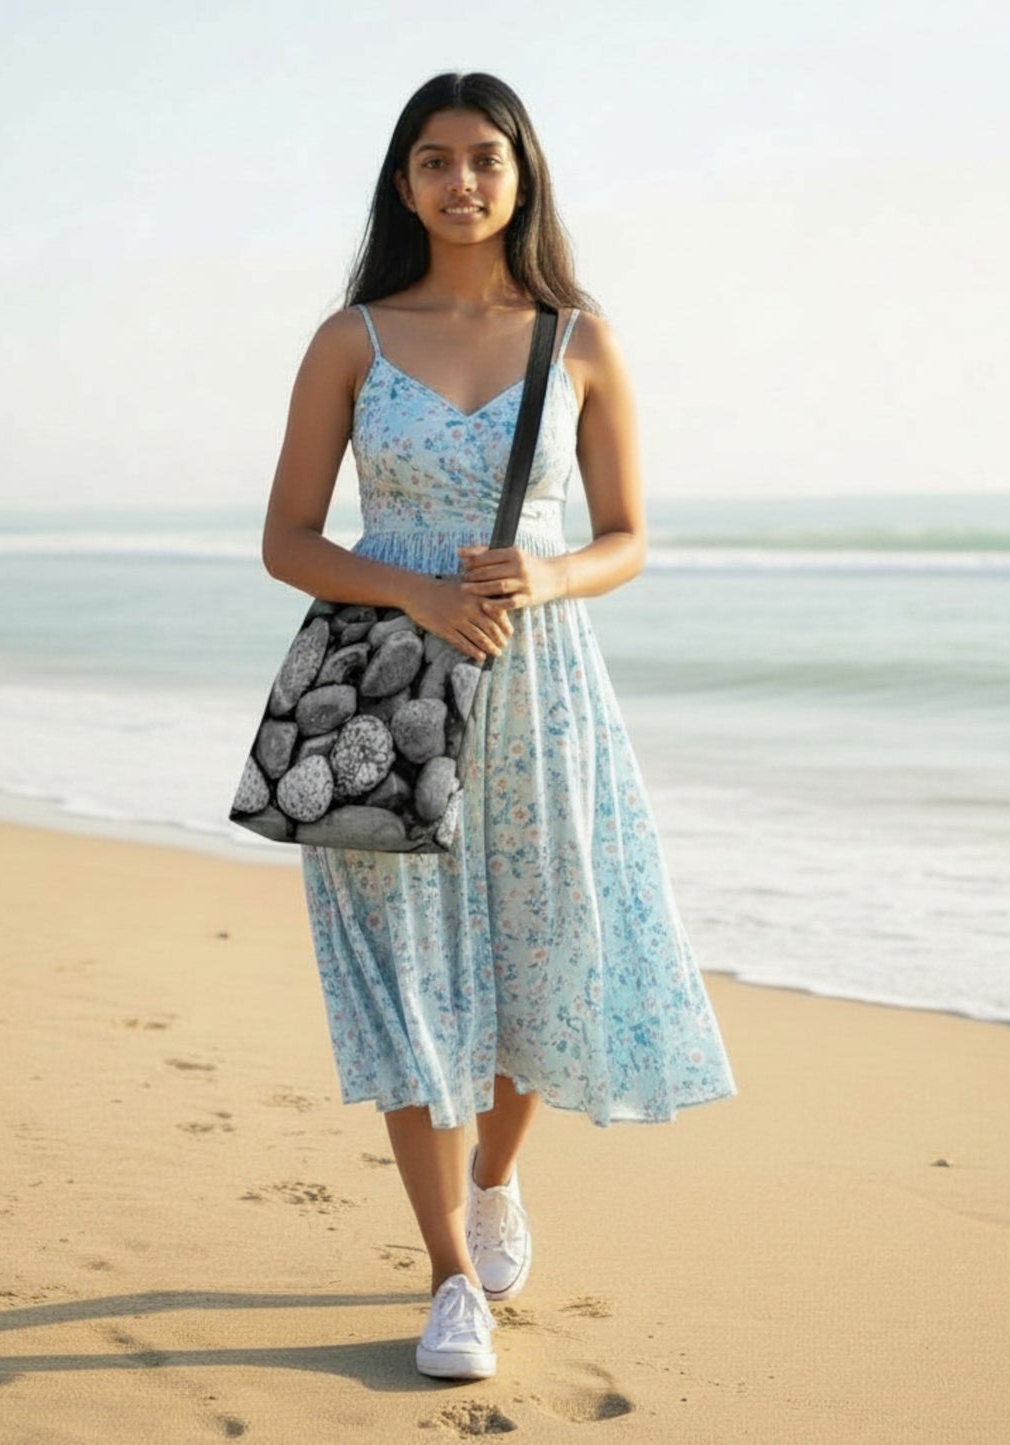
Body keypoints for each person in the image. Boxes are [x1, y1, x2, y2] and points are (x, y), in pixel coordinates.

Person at [259, 70, 736, 1381]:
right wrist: (411, 585)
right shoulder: (348, 340)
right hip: (380, 694)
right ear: (401, 182)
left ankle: (496, 1180)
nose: (458, 180)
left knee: (542, 949)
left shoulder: (576, 339)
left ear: (520, 175)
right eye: (431, 159)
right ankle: (449, 1278)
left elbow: (626, 536)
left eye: (483, 157)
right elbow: (286, 539)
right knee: (407, 984)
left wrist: (552, 572)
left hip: (541, 688)